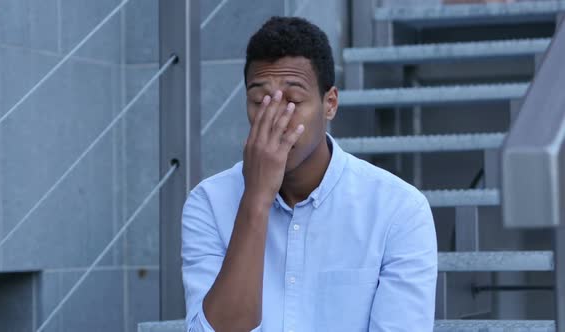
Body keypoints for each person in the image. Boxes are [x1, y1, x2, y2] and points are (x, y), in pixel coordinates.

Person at [181, 16, 438, 332]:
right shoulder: (208, 202)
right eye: (259, 100)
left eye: (293, 100)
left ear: (329, 104)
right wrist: (256, 198)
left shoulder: (398, 209)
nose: (275, 117)